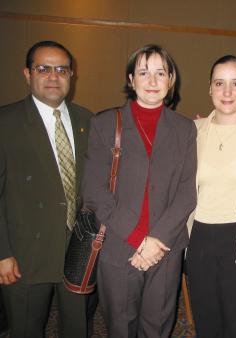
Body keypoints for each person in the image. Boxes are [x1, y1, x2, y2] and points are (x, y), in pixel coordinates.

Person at [82, 44, 197, 338]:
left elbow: (187, 192)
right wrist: (137, 239)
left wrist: (156, 241)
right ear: (131, 80)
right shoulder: (105, 123)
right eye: (143, 72)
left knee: (158, 326)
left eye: (161, 73)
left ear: (171, 80)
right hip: (119, 245)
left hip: (165, 248)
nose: (152, 81)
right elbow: (94, 191)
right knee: (121, 326)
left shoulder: (185, 129)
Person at [0, 40, 92, 337]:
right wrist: (2, 253)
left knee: (78, 328)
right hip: (24, 255)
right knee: (25, 329)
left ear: (71, 75)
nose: (53, 76)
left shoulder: (87, 120)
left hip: (77, 251)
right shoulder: (5, 122)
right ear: (27, 74)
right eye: (43, 68)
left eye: (61, 69)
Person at [185, 55, 236, 338]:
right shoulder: (191, 133)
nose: (227, 92)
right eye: (219, 83)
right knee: (206, 326)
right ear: (209, 88)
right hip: (198, 240)